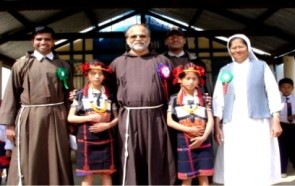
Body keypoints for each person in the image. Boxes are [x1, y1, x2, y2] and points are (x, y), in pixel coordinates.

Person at [0, 25, 74, 185]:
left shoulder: (64, 65)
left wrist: (71, 118)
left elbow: (69, 94)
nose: (43, 42)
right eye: (39, 39)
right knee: (29, 156)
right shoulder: (21, 65)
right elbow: (10, 95)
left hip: (57, 117)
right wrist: (9, 125)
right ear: (32, 41)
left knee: (57, 154)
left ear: (53, 42)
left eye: (47, 39)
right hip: (29, 118)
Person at [109, 23, 176, 185]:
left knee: (157, 154)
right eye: (133, 36)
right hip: (129, 117)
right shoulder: (117, 63)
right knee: (130, 155)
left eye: (142, 36)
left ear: (149, 39)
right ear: (127, 40)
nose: (138, 39)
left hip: (156, 116)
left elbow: (175, 89)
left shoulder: (162, 60)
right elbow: (108, 93)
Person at [212, 34, 283, 186]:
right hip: (233, 122)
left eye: (240, 46)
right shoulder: (225, 70)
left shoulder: (261, 66)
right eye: (233, 47)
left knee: (257, 154)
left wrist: (276, 119)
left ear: (248, 47)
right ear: (229, 50)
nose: (237, 50)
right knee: (236, 156)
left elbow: (272, 91)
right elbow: (219, 97)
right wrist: (217, 125)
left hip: (258, 120)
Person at [67, 60, 118, 185]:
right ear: (87, 75)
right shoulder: (79, 95)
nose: (97, 76)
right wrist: (91, 118)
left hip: (106, 138)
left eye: (100, 74)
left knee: (106, 174)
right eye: (93, 73)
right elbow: (70, 118)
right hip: (86, 139)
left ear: (104, 76)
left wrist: (108, 124)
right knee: (88, 176)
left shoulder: (110, 95)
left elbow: (118, 117)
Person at [167, 63, 214, 186]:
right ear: (180, 80)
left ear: (199, 81)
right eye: (187, 78)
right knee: (186, 178)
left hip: (203, 139)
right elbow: (169, 121)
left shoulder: (204, 98)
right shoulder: (174, 99)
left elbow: (210, 120)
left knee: (204, 177)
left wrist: (203, 137)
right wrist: (189, 129)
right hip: (184, 139)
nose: (191, 81)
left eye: (194, 78)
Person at [163, 26, 212, 96]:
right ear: (165, 42)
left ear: (184, 41)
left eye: (179, 37)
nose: (175, 39)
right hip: (166, 102)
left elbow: (203, 83)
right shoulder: (159, 61)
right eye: (171, 37)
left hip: (191, 102)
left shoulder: (196, 61)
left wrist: (206, 97)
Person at [278, 77, 295, 178]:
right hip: (282, 126)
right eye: (283, 87)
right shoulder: (277, 101)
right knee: (282, 148)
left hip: (294, 127)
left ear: (292, 88)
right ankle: (283, 169)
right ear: (279, 88)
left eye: (288, 87)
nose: (286, 89)